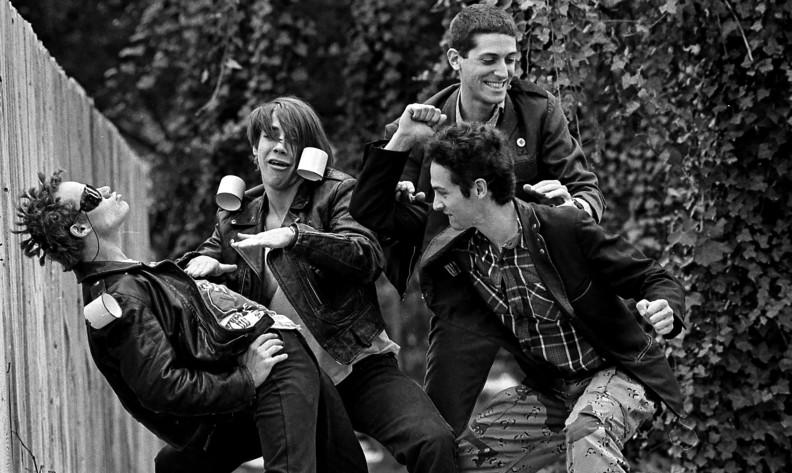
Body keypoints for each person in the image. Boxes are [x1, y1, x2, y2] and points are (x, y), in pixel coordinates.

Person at [355, 115, 687, 472]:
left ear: (479, 189)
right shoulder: (457, 248)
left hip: (617, 373)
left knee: (586, 430)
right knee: (462, 461)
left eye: (443, 192)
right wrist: (401, 139)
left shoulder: (563, 228)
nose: (435, 203)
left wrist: (666, 307)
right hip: (552, 389)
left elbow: (652, 277)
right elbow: (369, 210)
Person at [15, 170, 368, 473]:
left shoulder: (128, 278)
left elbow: (189, 329)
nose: (105, 191)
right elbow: (164, 386)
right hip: (273, 370)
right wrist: (246, 378)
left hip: (286, 361)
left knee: (346, 465)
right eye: (92, 196)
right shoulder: (118, 298)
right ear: (79, 228)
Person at [181, 96, 458, 473]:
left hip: (353, 364)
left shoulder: (338, 192)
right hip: (285, 379)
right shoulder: (236, 215)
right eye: (270, 137)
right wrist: (201, 264)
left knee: (433, 441)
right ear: (254, 148)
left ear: (309, 152)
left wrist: (297, 237)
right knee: (178, 461)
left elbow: (365, 256)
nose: (280, 147)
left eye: (292, 139)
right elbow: (200, 260)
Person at [351, 3, 605, 293]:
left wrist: (573, 208)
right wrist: (400, 144)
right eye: (489, 60)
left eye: (509, 60)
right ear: (455, 60)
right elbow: (371, 212)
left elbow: (587, 190)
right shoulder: (414, 126)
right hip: (457, 291)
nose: (502, 72)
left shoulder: (540, 111)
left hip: (540, 277)